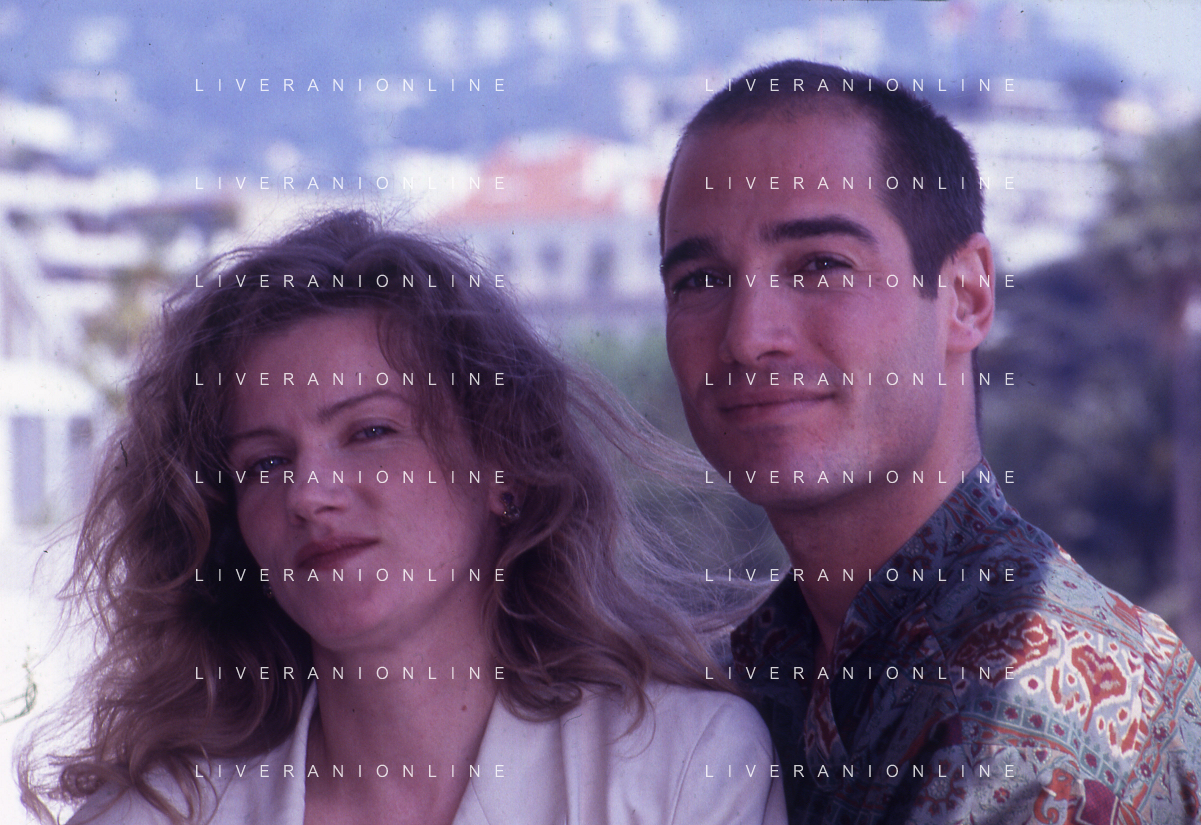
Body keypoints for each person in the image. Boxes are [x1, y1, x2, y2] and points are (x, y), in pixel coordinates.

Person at [20, 211, 786, 825]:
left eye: (370, 431)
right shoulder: (152, 815)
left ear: (503, 466)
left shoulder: (683, 767)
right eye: (265, 463)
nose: (308, 493)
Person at [657, 60, 1201, 823]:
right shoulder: (749, 671)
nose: (748, 337)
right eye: (700, 280)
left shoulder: (1034, 706)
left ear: (966, 295)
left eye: (820, 265)